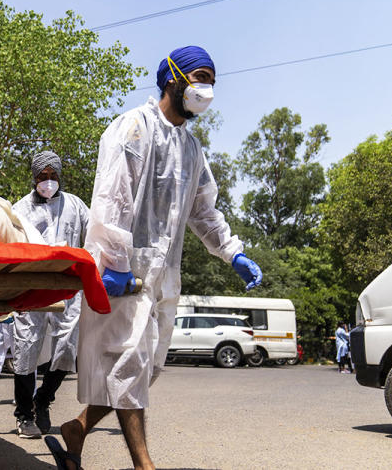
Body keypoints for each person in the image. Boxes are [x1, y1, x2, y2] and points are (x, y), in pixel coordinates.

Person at [46, 46, 262, 470]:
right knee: (128, 367)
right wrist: (113, 263)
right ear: (172, 78)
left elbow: (203, 212)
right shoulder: (135, 128)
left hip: (163, 278)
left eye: (212, 83)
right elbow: (112, 199)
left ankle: (77, 428)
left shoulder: (192, 149)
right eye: (200, 78)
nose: (207, 90)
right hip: (123, 272)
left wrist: (232, 251)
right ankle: (145, 465)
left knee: (144, 372)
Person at [10, 151, 89, 439]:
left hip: (67, 287)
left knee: (68, 345)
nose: (48, 182)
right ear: (34, 178)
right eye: (43, 177)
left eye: (53, 176)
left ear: (60, 176)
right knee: (26, 346)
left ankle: (43, 398)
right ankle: (24, 414)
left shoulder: (75, 205)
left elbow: (93, 235)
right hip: (32, 285)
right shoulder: (19, 209)